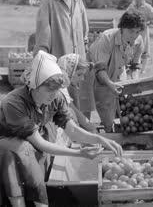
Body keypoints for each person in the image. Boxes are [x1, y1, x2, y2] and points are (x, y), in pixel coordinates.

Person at [0, 51, 122, 207]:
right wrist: (79, 153)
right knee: (23, 150)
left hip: (28, 139)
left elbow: (72, 130)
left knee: (34, 148)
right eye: (50, 90)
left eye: (57, 90)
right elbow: (39, 143)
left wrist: (100, 139)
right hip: (5, 139)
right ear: (35, 86)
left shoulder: (56, 98)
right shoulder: (14, 103)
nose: (54, 95)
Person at [89, 12, 145, 132]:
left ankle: (119, 133)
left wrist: (134, 81)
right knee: (106, 111)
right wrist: (110, 84)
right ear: (122, 28)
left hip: (119, 71)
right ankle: (108, 131)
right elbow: (99, 69)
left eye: (137, 32)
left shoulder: (139, 41)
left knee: (124, 109)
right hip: (98, 74)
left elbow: (135, 65)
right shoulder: (107, 38)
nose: (134, 36)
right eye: (131, 31)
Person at [58, 53, 101, 132]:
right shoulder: (60, 87)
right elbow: (75, 112)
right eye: (79, 74)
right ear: (69, 71)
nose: (82, 78)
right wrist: (92, 128)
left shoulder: (62, 84)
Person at [127, 0, 153, 73]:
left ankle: (143, 69)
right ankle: (133, 67)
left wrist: (149, 23)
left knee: (144, 49)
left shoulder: (147, 7)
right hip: (133, 31)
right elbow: (126, 15)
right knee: (132, 48)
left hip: (143, 31)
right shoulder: (131, 6)